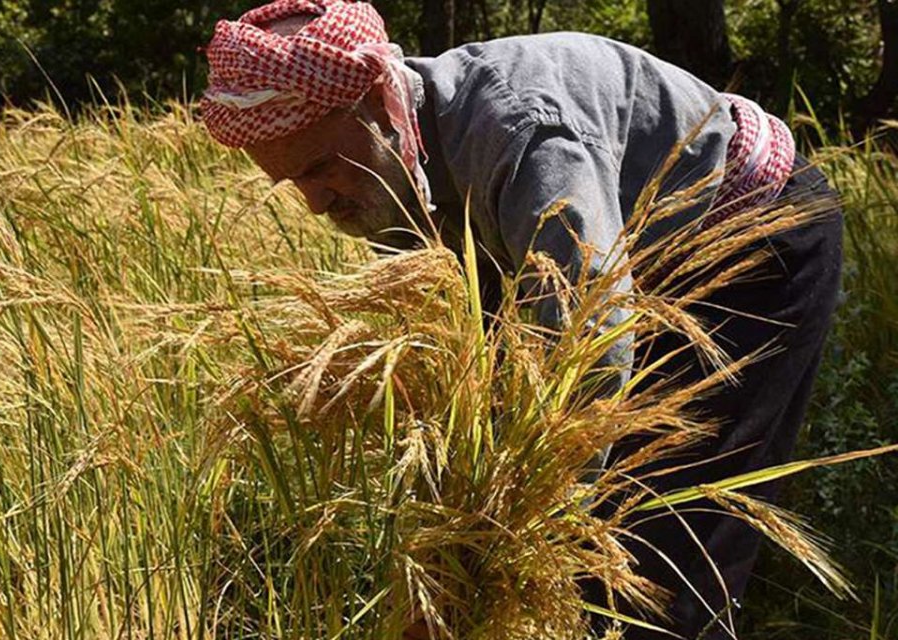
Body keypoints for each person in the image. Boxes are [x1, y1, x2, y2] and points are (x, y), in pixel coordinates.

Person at [197, 1, 845, 638]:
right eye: (292, 184)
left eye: (317, 168)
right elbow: (477, 364)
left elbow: (591, 346)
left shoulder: (523, 132)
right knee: (591, 564)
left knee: (664, 562)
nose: (314, 203)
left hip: (753, 242)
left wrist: (513, 526)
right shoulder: (388, 179)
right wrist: (446, 558)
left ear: (379, 106)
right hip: (630, 278)